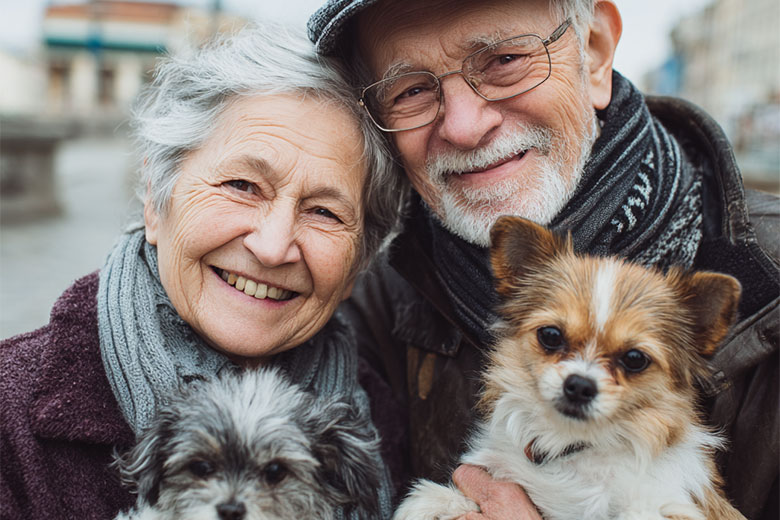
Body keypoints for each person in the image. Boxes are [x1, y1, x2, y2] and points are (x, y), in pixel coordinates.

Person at [307, 1, 780, 519]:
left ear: (595, 51)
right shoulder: (368, 304)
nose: (465, 126)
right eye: (412, 90)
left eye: (505, 59)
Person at [0, 24, 405, 520]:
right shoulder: (8, 410)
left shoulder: (392, 408)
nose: (273, 247)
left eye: (325, 212)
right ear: (156, 198)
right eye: (242, 185)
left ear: (359, 261)